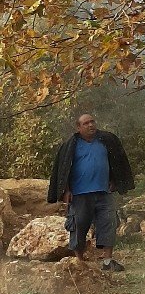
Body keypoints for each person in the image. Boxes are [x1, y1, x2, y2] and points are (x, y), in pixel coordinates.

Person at [47, 112, 134, 272]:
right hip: (79, 194)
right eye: (86, 123)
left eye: (92, 122)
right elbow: (63, 169)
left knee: (108, 223)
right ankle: (79, 263)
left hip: (103, 192)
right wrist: (66, 190)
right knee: (78, 226)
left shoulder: (107, 140)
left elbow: (117, 162)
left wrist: (115, 181)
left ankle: (108, 261)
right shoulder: (70, 145)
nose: (90, 125)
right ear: (78, 127)